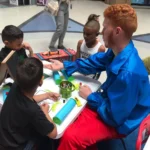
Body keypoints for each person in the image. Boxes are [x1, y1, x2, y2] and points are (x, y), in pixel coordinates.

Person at [44, 4, 150, 150]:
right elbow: (96, 61)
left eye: (105, 27)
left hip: (120, 121)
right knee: (71, 117)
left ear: (117, 31)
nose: (101, 32)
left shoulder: (128, 73)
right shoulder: (118, 51)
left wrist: (91, 97)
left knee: (70, 137)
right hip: (112, 105)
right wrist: (65, 66)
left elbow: (115, 117)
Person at [0, 57, 59, 150]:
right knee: (47, 139)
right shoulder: (34, 111)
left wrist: (46, 95)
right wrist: (45, 112)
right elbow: (54, 133)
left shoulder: (16, 85)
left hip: (5, 136)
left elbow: (26, 100)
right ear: (41, 81)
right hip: (16, 146)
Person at [76, 14, 105, 79]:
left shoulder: (100, 49)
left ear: (96, 34)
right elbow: (76, 61)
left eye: (88, 34)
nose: (85, 36)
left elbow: (98, 69)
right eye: (84, 33)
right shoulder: (80, 43)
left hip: (90, 79)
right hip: (78, 75)